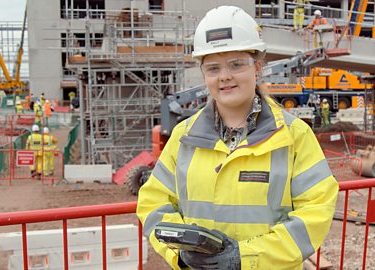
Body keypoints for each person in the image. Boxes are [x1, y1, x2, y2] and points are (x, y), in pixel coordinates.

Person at [136, 6, 338, 270]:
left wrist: (245, 258)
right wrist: (180, 254)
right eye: (213, 68)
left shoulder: (294, 136)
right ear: (204, 74)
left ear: (257, 67)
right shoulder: (184, 137)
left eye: (236, 64)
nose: (224, 76)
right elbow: (153, 204)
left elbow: (316, 213)